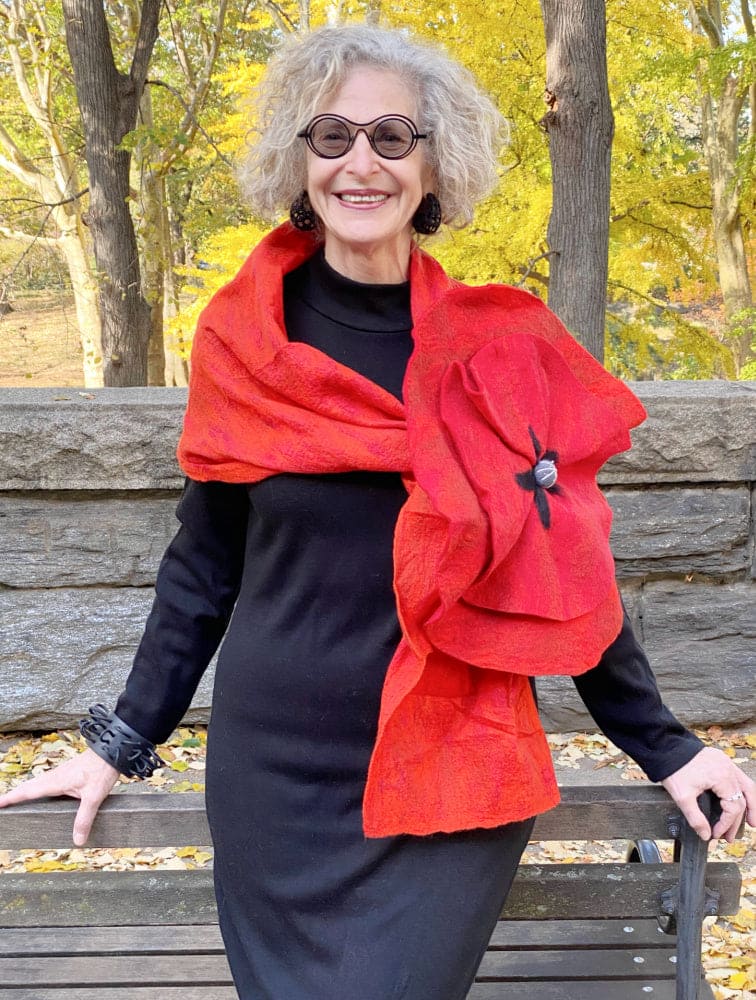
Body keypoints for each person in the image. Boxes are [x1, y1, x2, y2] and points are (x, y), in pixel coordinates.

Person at [1, 23, 753, 1000]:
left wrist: (666, 742)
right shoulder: (242, 341)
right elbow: (205, 565)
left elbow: (560, 569)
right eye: (332, 137)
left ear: (436, 166)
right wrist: (115, 743)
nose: (362, 161)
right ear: (298, 160)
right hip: (279, 781)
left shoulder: (501, 349)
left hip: (451, 771)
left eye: (393, 137)